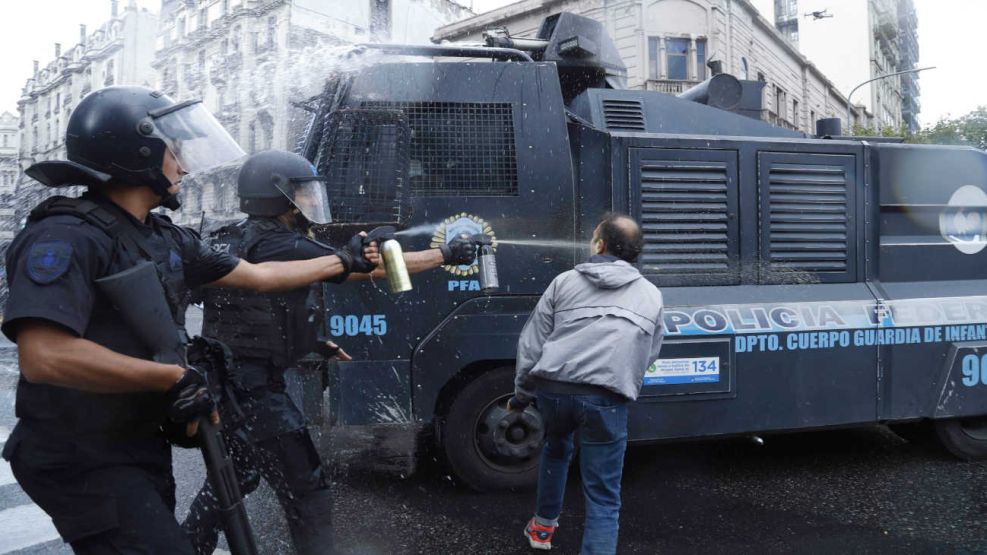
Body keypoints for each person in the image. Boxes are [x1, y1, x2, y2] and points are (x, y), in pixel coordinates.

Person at [0, 86, 381, 554]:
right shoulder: (65, 235)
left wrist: (343, 263)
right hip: (77, 453)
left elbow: (259, 276)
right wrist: (170, 378)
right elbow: (45, 355)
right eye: (173, 150)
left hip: (134, 442)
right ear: (137, 151)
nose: (182, 164)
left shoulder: (165, 238)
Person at [182, 149, 478, 555]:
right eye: (302, 193)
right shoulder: (276, 243)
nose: (310, 201)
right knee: (308, 487)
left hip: (231, 380)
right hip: (251, 387)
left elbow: (254, 310)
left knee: (237, 473)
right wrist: (445, 254)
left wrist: (313, 342)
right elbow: (367, 269)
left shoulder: (236, 234)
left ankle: (189, 542)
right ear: (278, 196)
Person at [508, 213, 664, 554]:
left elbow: (532, 343)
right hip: (606, 399)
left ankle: (543, 529)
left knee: (556, 449)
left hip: (555, 392)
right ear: (636, 253)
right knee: (604, 496)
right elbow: (648, 352)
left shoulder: (563, 282)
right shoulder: (651, 295)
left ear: (601, 244)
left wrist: (522, 395)